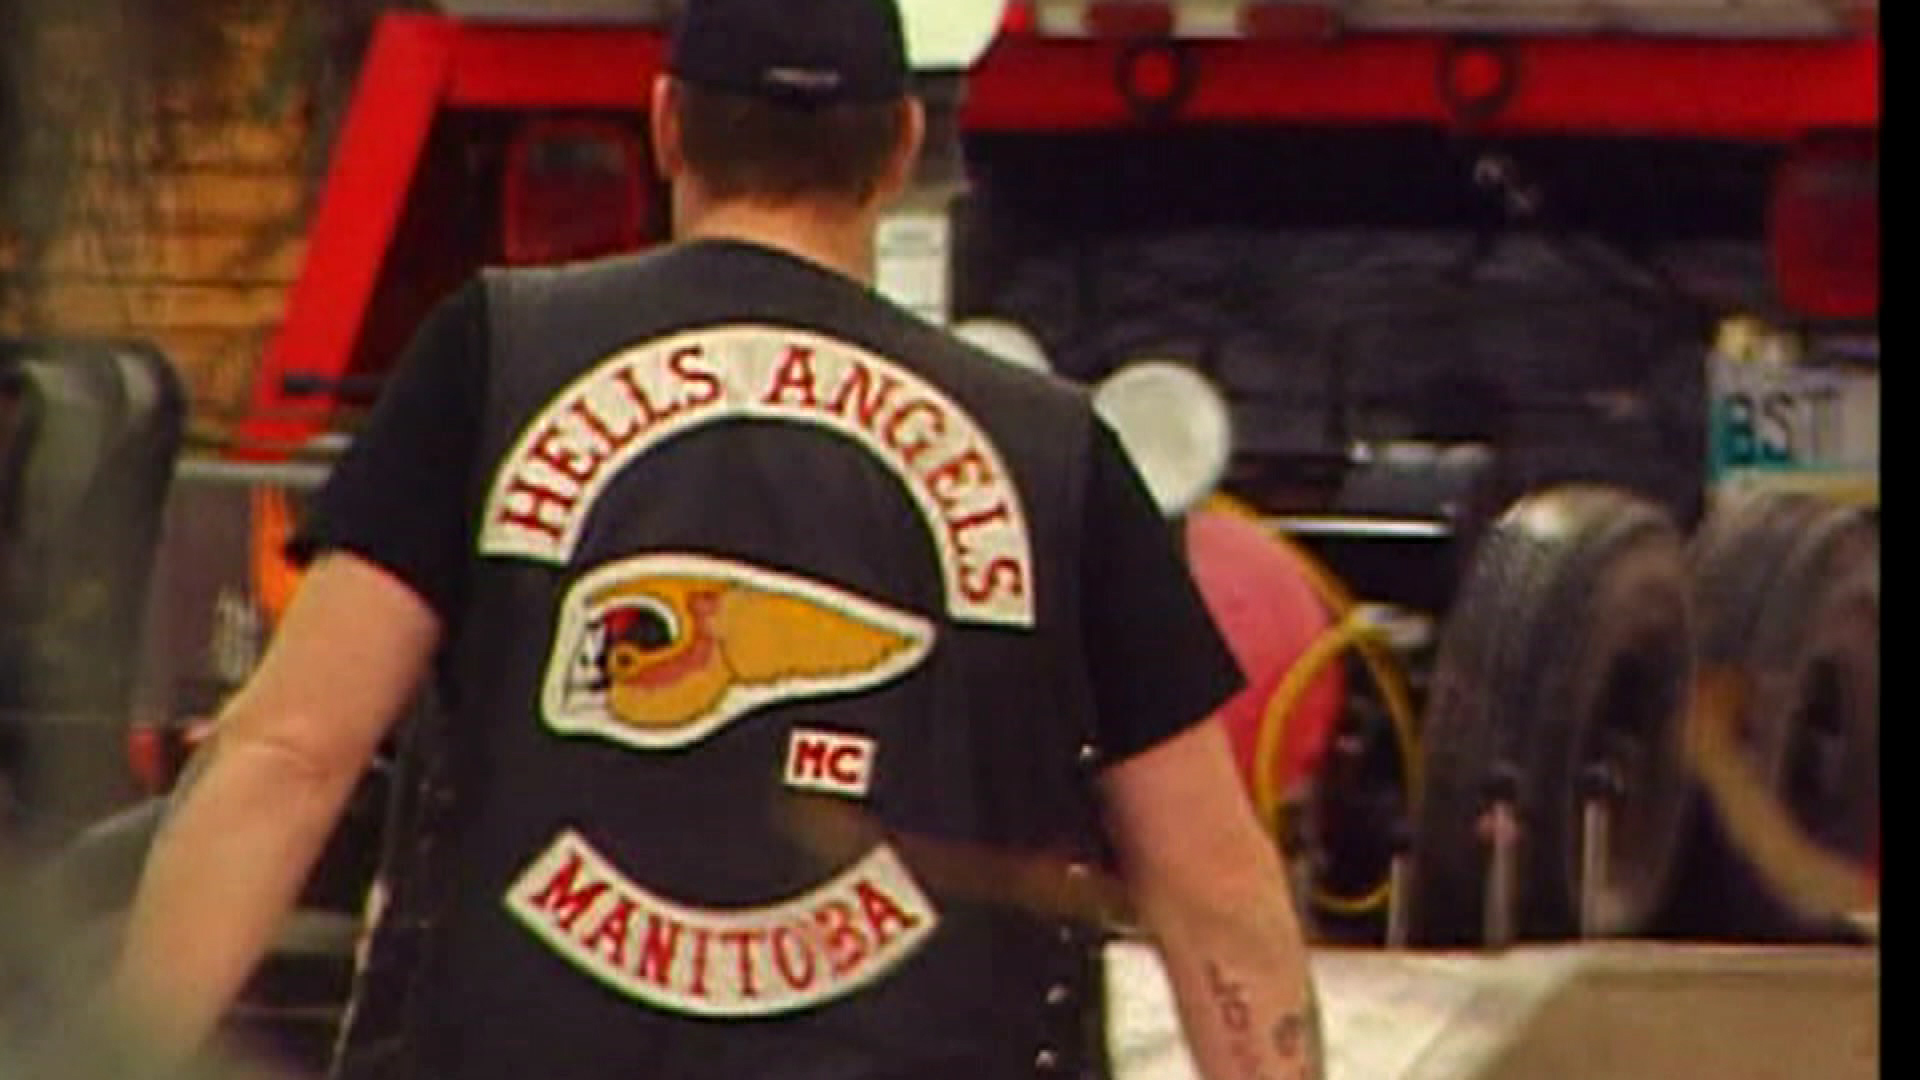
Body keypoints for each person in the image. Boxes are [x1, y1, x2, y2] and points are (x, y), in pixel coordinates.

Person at [110, 1, 1322, 1077]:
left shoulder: (492, 356)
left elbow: (289, 755)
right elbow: (1212, 884)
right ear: (903, 146)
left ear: (666, 126)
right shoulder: (1053, 451)